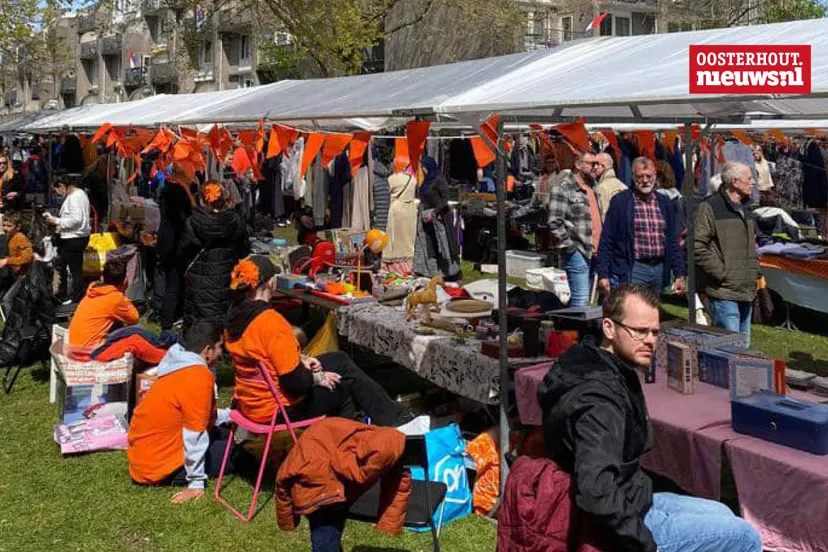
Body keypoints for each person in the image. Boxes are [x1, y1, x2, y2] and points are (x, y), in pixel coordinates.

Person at [538, 284, 762, 552]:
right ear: (609, 328)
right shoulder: (599, 403)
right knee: (744, 536)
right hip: (617, 524)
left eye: (655, 332)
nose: (650, 341)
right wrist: (644, 543)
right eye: (640, 331)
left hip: (634, 495)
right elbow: (596, 491)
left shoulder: (593, 360)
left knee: (722, 512)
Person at [224, 255, 421, 430]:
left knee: (340, 360)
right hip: (278, 408)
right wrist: (318, 378)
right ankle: (356, 444)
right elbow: (295, 383)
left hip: (251, 402)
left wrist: (301, 359)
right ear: (270, 283)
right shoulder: (270, 322)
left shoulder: (235, 320)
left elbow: (263, 357)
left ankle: (396, 417)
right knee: (342, 387)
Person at [128, 321, 232, 504]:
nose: (221, 353)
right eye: (219, 348)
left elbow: (205, 416)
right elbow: (195, 433)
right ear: (207, 350)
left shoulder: (176, 365)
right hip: (161, 466)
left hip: (146, 457)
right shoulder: (198, 377)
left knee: (231, 434)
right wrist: (196, 483)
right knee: (243, 454)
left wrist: (231, 415)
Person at [596, 157, 686, 296]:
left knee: (652, 312)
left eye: (648, 176)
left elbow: (672, 240)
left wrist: (679, 273)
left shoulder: (664, 202)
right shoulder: (621, 201)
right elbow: (607, 239)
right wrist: (603, 274)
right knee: (632, 311)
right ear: (633, 177)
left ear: (655, 176)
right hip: (633, 267)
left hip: (659, 268)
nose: (645, 180)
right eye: (640, 176)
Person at [695, 161, 759, 347]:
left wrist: (755, 270)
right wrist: (720, 272)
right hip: (724, 290)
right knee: (728, 349)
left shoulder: (746, 208)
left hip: (745, 289)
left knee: (743, 347)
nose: (753, 182)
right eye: (749, 179)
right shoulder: (710, 206)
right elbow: (697, 245)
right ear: (734, 181)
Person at [178, 181, 248, 335]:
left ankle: (197, 349)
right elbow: (244, 250)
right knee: (222, 317)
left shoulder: (193, 222)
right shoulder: (236, 221)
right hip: (226, 277)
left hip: (199, 279)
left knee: (198, 322)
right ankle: (221, 348)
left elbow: (183, 250)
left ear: (202, 199)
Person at [547, 152, 603, 307]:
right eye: (592, 163)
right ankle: (574, 331)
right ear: (578, 165)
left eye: (597, 164)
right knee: (581, 301)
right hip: (578, 251)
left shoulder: (594, 187)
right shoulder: (563, 188)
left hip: (595, 251)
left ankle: (573, 329)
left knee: (587, 299)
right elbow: (554, 222)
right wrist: (570, 247)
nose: (595, 167)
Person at [68, 258, 139, 349]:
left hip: (74, 349)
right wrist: (122, 292)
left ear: (103, 277)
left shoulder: (92, 291)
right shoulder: (115, 298)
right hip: (89, 352)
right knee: (137, 329)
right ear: (124, 281)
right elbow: (134, 318)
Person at [45, 174, 91, 303]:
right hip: (76, 236)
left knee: (74, 268)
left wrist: (57, 221)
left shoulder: (75, 197)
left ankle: (76, 297)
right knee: (66, 265)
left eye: (57, 190)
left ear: (61, 186)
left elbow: (77, 220)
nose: (58, 194)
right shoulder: (79, 194)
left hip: (74, 238)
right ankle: (69, 294)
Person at [156, 173, 194, 330]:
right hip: (176, 244)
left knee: (167, 280)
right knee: (174, 283)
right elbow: (189, 215)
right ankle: (169, 318)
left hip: (165, 241)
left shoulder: (165, 193)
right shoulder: (180, 196)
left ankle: (166, 315)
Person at [413, 156, 460, 280]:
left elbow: (445, 198)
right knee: (430, 245)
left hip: (440, 218)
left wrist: (434, 212)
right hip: (427, 218)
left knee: (443, 245)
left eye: (423, 166)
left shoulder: (439, 179)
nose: (422, 169)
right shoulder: (425, 181)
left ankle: (449, 272)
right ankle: (431, 271)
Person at [0, 212, 34, 314]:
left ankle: (11, 325)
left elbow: (28, 257)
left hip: (25, 275)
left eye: (9, 226)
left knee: (7, 300)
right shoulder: (9, 236)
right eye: (4, 225)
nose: (5, 228)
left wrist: (7, 261)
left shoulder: (20, 238)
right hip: (16, 274)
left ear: (18, 227)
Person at [593, 152, 627, 219]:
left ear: (603, 166)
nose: (594, 168)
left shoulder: (602, 188)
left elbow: (603, 216)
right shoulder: (623, 186)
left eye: (596, 164)